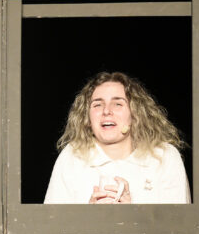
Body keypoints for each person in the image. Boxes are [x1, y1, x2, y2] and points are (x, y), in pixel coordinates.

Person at [44, 71, 190, 204]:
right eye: (97, 105)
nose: (106, 111)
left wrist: (132, 215)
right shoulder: (72, 156)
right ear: (87, 118)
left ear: (135, 113)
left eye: (118, 104)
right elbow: (51, 222)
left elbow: (180, 222)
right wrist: (89, 215)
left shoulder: (163, 157)